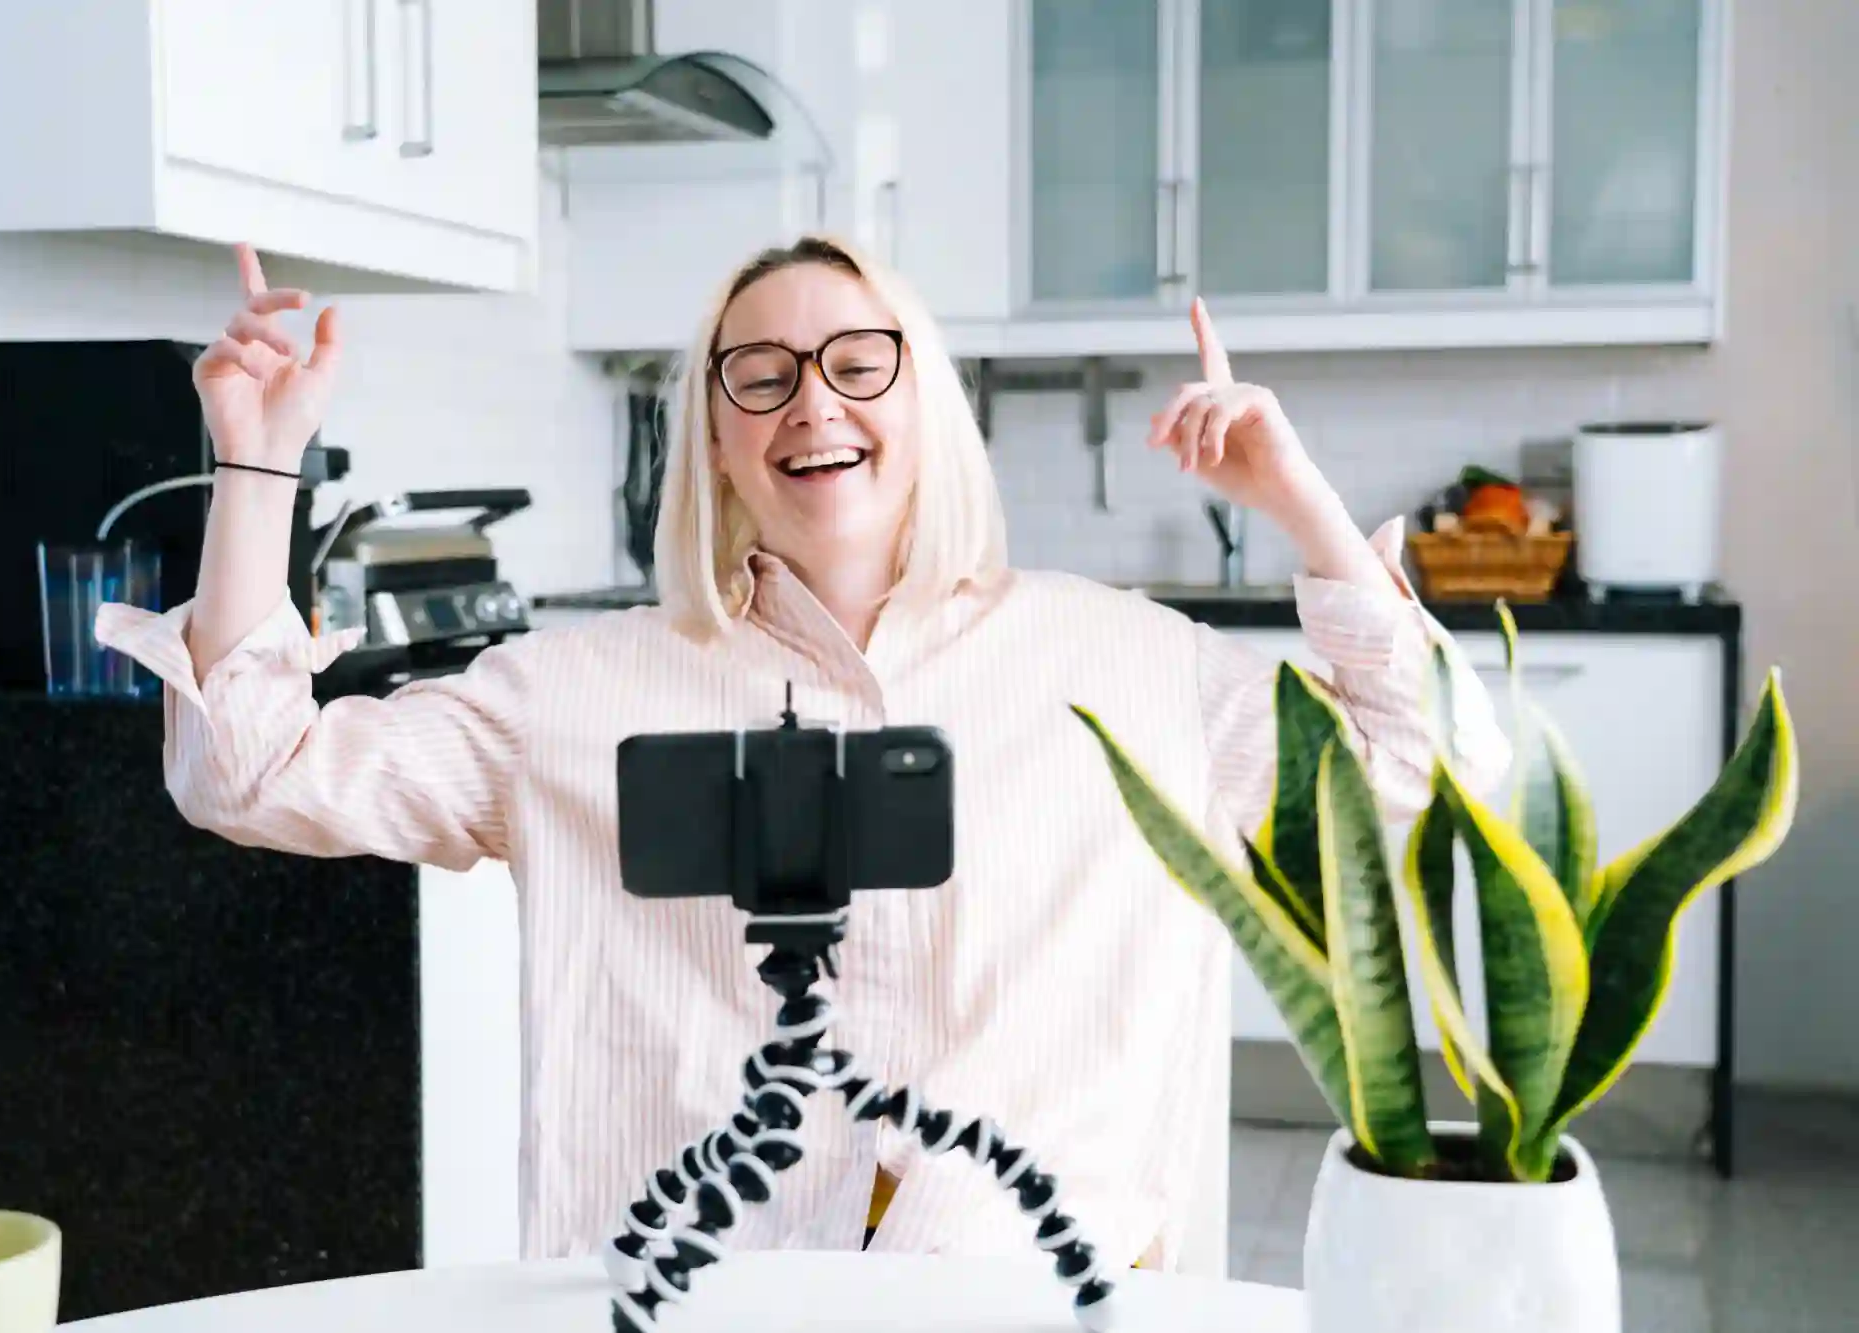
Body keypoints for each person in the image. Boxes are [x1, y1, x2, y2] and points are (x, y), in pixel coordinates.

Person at [96, 237, 1509, 1278]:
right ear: (713, 437)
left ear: (925, 404)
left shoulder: (1129, 663)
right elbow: (252, 774)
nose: (811, 406)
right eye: (759, 376)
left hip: (1029, 1293)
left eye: (855, 362)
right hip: (692, 1290)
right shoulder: (574, 691)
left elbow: (1419, 775)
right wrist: (257, 466)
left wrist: (1305, 507)